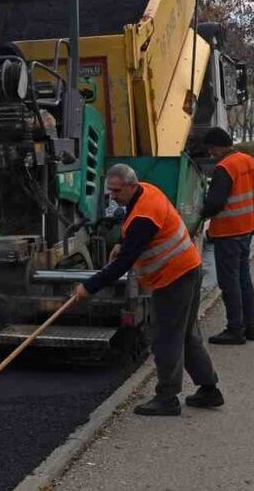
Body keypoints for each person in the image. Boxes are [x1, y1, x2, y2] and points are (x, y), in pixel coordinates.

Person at [73, 164, 223, 416]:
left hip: (174, 277)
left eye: (117, 191)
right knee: (185, 334)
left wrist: (88, 287)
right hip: (187, 269)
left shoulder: (145, 213)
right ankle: (209, 389)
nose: (113, 196)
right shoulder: (145, 190)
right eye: (109, 191)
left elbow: (123, 264)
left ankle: (167, 398)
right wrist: (122, 242)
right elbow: (132, 228)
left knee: (166, 337)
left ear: (131, 186)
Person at [199, 127, 254, 345]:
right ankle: (250, 327)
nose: (210, 154)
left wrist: (197, 212)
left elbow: (214, 204)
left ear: (217, 147)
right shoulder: (249, 161)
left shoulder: (224, 168)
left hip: (228, 232)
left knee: (229, 283)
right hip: (247, 229)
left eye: (211, 149)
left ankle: (234, 329)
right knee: (244, 280)